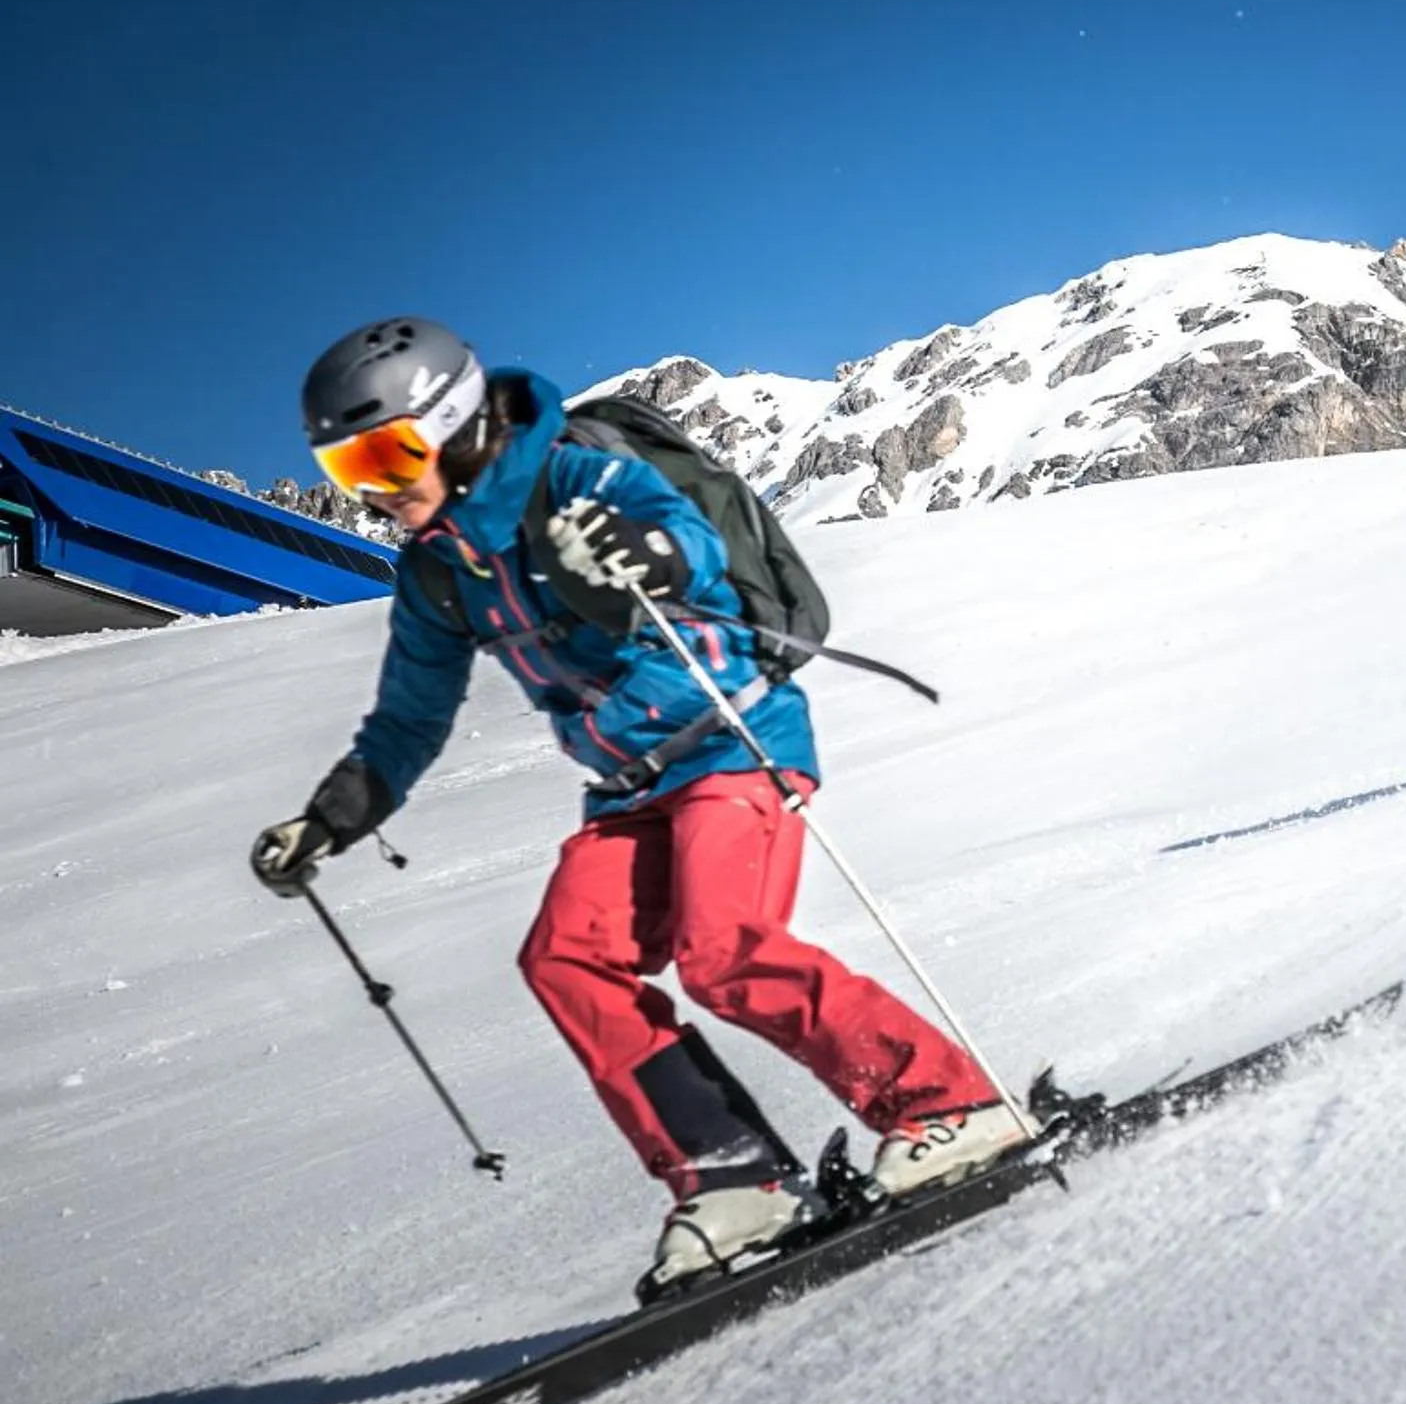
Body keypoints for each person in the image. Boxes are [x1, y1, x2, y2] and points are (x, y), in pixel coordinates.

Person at [248, 317, 1029, 1293]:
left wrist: (637, 555)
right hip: (626, 787)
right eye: (349, 467)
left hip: (730, 742)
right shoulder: (440, 571)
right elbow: (411, 715)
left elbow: (687, 546)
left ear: (451, 423)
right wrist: (330, 817)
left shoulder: (577, 479)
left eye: (386, 455)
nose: (377, 488)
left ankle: (948, 1105)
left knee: (725, 949)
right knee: (567, 960)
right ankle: (733, 1177)